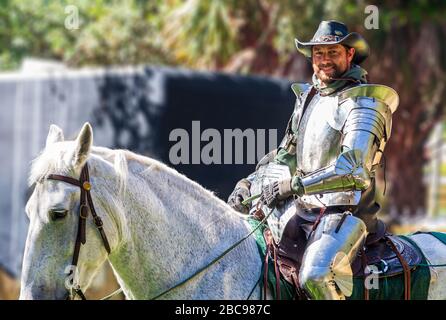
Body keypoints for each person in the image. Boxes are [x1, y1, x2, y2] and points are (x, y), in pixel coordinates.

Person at [227, 20, 399, 299]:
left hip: (346, 212)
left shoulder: (365, 102)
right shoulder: (309, 97)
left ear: (349, 54)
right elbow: (286, 155)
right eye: (319, 53)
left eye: (333, 52)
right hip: (304, 207)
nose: (325, 60)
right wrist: (248, 184)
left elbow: (353, 170)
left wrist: (292, 187)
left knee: (316, 276)